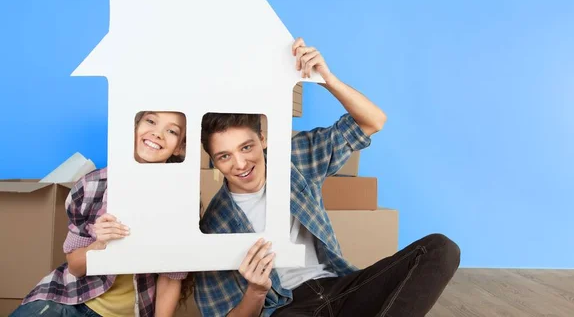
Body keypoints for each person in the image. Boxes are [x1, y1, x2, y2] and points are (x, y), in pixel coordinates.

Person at [193, 38, 461, 317]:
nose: (240, 164)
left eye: (246, 147)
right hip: (288, 308)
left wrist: (325, 79)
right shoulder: (214, 223)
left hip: (340, 287)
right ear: (213, 161)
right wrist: (256, 292)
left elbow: (373, 121)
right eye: (224, 156)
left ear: (263, 138)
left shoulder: (293, 159)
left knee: (440, 249)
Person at [10, 111, 194, 317]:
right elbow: (75, 267)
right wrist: (99, 244)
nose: (158, 133)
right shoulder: (91, 185)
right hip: (69, 300)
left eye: (171, 130)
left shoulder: (180, 198)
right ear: (133, 128)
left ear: (180, 146)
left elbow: (172, 277)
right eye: (150, 121)